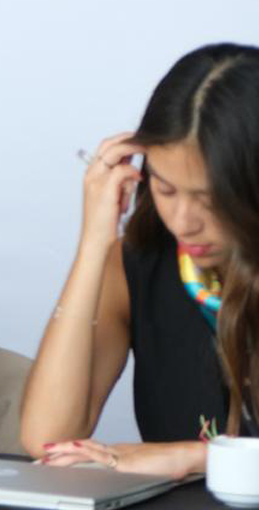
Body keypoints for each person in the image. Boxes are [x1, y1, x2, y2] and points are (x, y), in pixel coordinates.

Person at [27, 44, 259, 477]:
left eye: (210, 201)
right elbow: (50, 438)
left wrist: (195, 458)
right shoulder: (141, 264)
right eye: (166, 189)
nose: (184, 222)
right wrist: (95, 243)